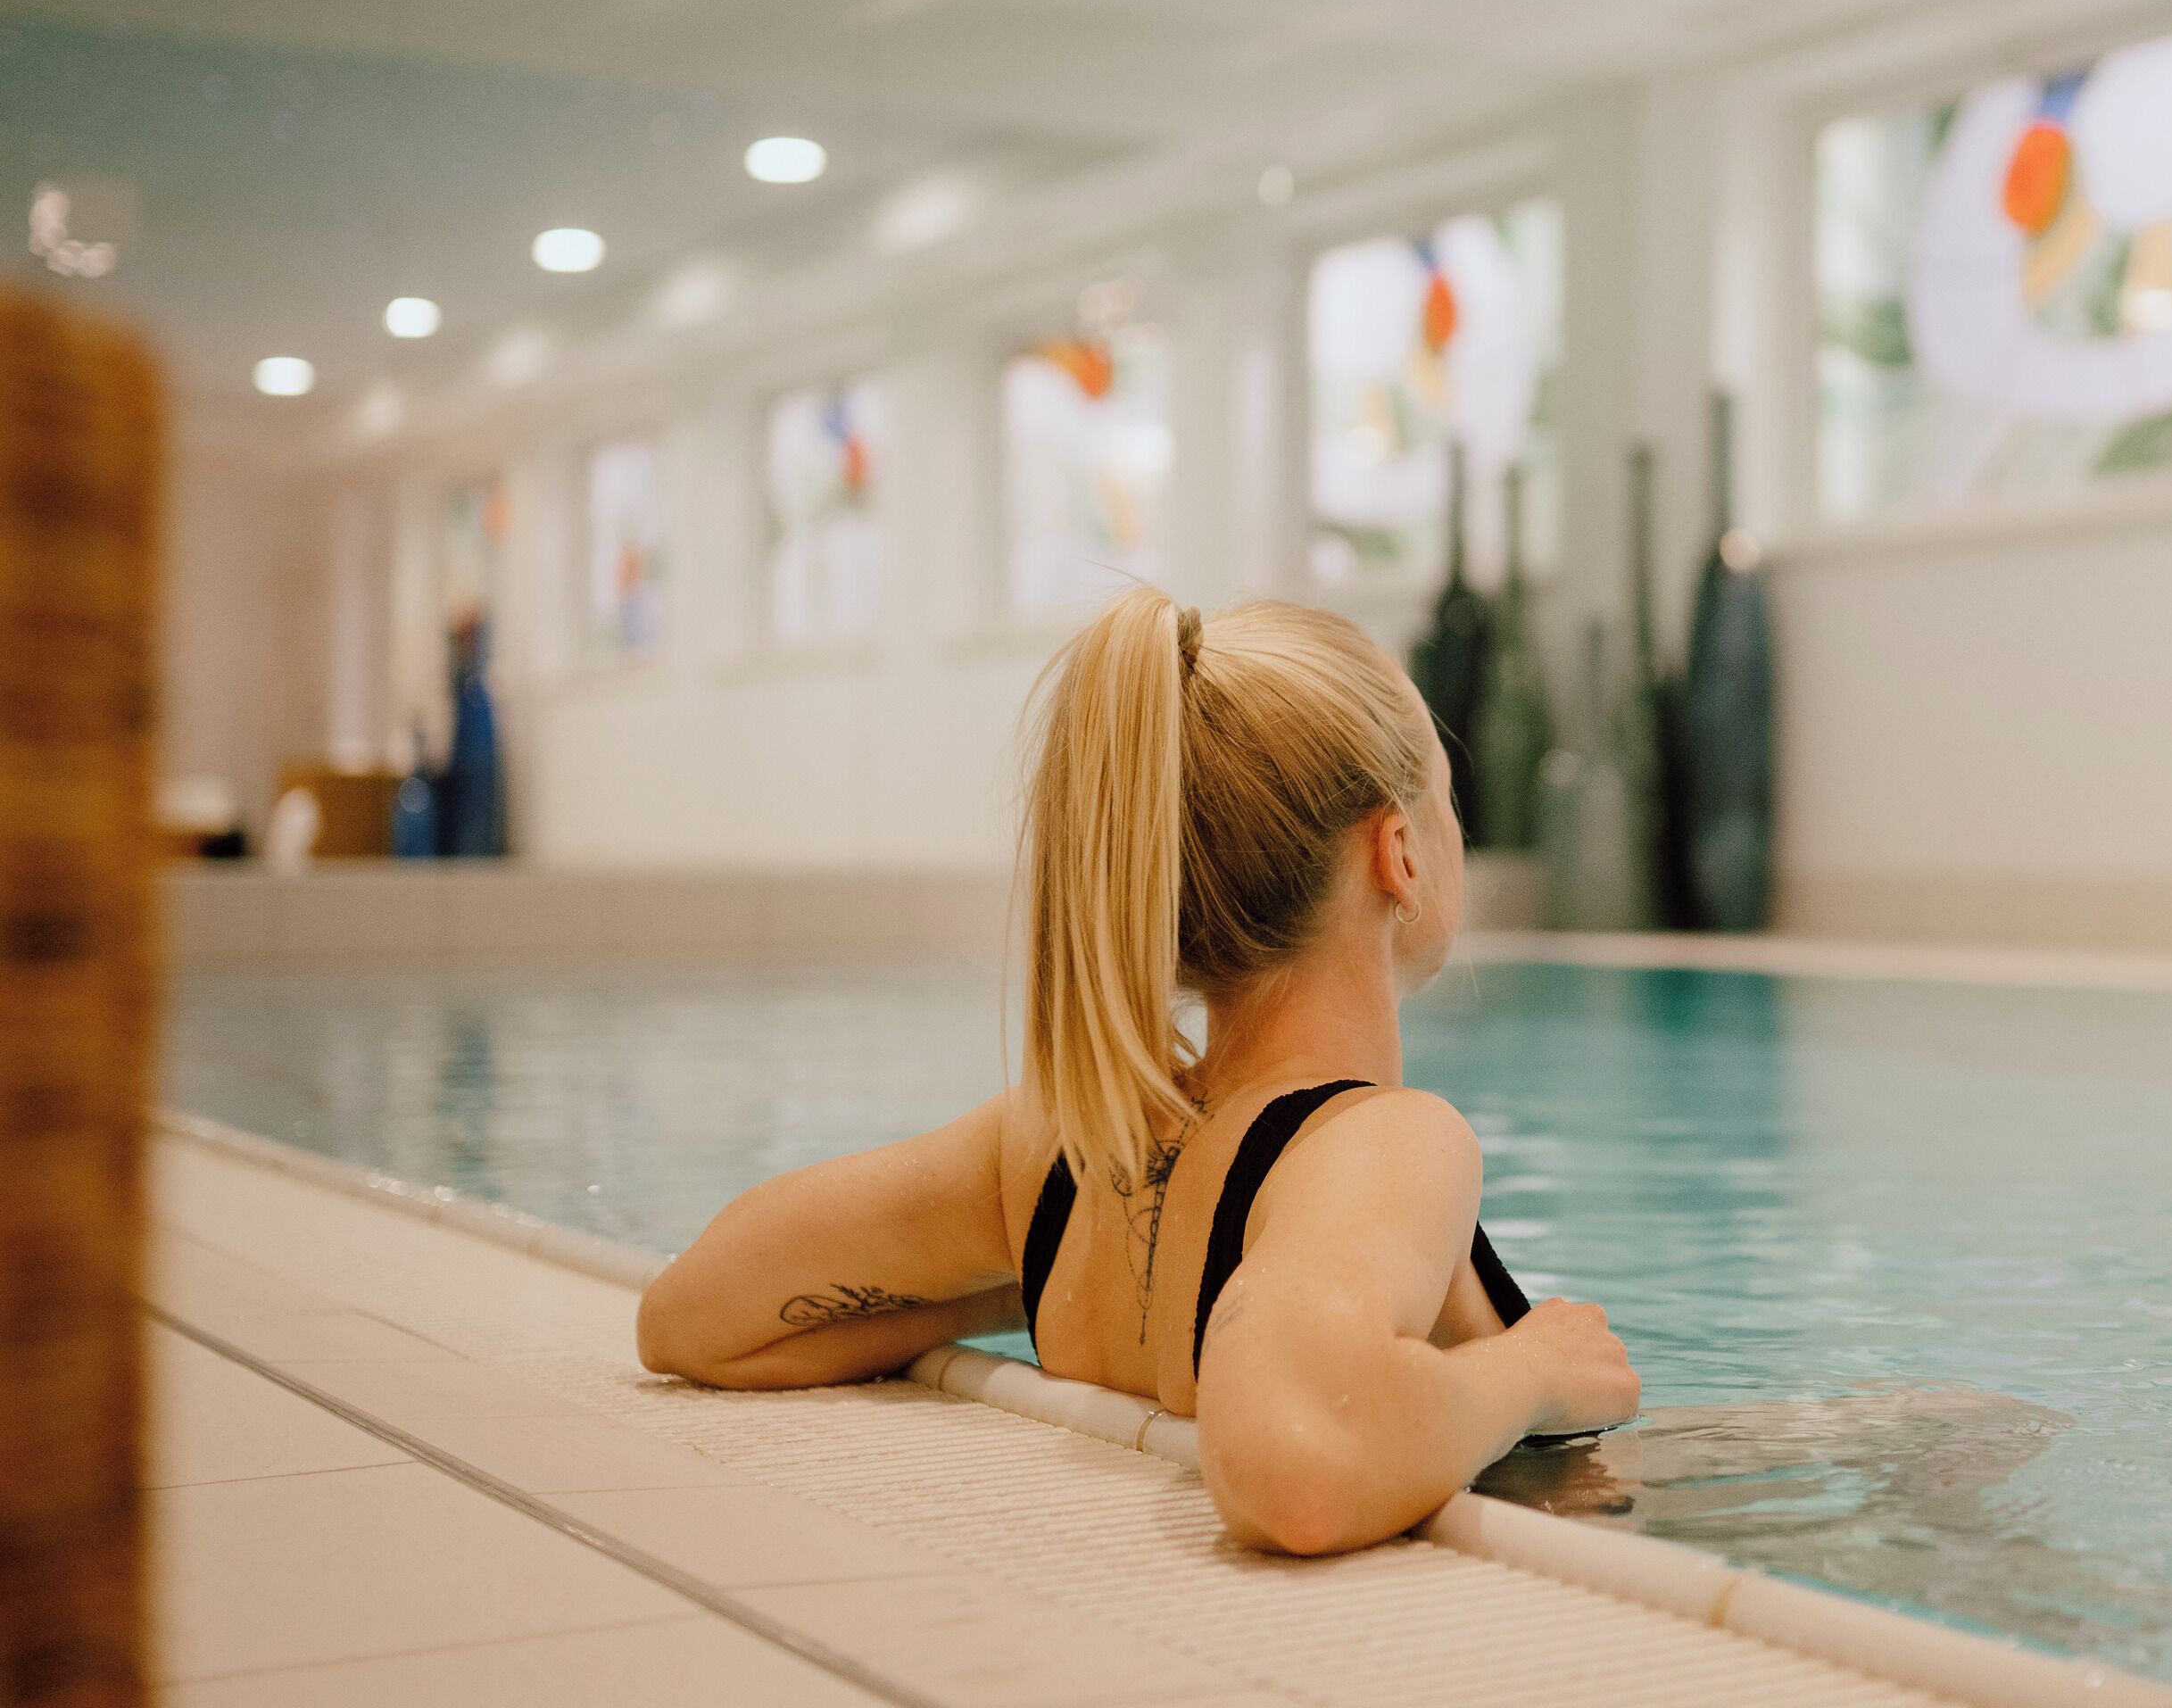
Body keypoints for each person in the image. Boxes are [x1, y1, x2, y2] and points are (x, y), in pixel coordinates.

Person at [634, 589, 1642, 1555]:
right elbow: (1301, 1465)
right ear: (1400, 855)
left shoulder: (1068, 1151)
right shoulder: (1379, 1142)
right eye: (1446, 798)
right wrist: (1530, 1370)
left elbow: (696, 1313)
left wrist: (1014, 1288)